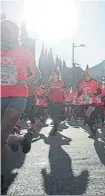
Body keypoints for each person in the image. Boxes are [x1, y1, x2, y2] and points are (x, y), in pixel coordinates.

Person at [1, 19, 41, 184]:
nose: (3, 33)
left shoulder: (24, 52)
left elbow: (37, 74)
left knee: (1, 135)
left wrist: (26, 81)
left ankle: (1, 176)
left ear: (14, 33)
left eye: (6, 30)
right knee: (1, 137)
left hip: (18, 96)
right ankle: (22, 139)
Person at [78, 70, 101, 138]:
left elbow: (99, 91)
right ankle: (93, 130)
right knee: (87, 118)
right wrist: (79, 93)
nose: (86, 76)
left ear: (90, 75)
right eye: (85, 75)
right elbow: (80, 92)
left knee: (88, 115)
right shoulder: (82, 83)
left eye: (88, 75)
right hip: (85, 102)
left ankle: (94, 125)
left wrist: (93, 94)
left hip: (93, 102)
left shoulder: (94, 82)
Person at [46, 70, 69, 135]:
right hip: (51, 102)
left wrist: (63, 90)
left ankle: (55, 129)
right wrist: (48, 91)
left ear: (58, 75)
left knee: (55, 116)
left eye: (54, 74)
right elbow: (47, 91)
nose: (53, 75)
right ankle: (58, 121)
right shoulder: (49, 83)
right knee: (52, 115)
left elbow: (68, 90)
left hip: (59, 102)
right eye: (52, 74)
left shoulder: (61, 83)